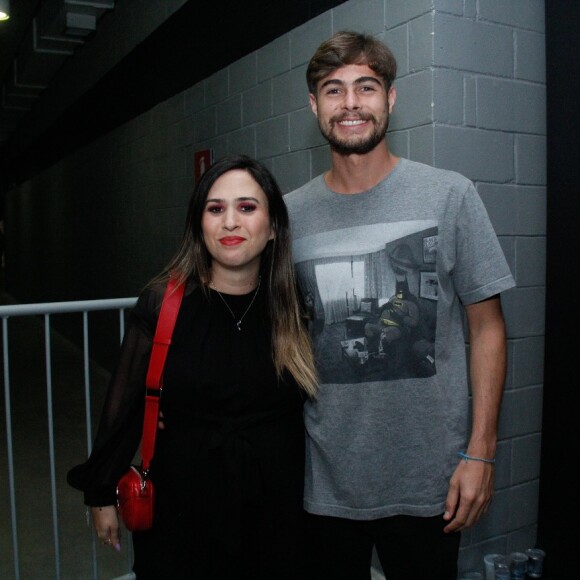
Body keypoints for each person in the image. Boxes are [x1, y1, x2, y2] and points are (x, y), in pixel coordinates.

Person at [284, 31, 516, 579]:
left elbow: (488, 329)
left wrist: (480, 452)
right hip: (324, 480)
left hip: (430, 481)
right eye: (333, 90)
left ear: (390, 99)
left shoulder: (450, 194)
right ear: (315, 106)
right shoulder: (289, 213)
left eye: (366, 87)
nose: (351, 104)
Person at [67, 154, 317, 579]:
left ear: (273, 227)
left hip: (277, 508)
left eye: (248, 207)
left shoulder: (293, 303)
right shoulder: (164, 304)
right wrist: (100, 492)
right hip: (182, 509)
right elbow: (124, 408)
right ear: (199, 225)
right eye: (215, 209)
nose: (231, 222)